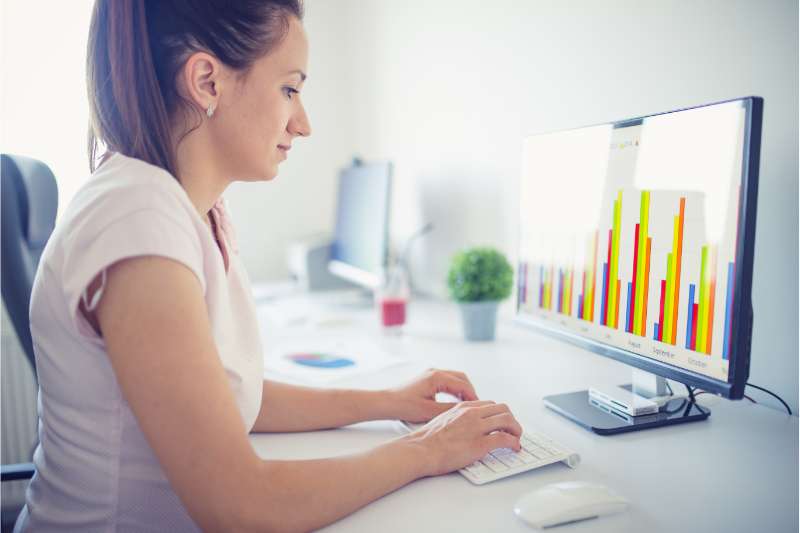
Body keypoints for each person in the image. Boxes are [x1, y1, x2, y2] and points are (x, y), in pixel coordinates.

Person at [17, 1, 524, 531]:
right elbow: (243, 507)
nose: (302, 124)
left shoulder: (192, 209)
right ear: (208, 82)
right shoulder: (137, 221)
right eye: (290, 89)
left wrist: (389, 401)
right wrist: (428, 449)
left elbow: (234, 396)